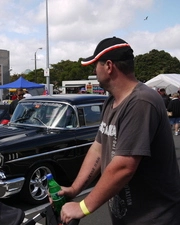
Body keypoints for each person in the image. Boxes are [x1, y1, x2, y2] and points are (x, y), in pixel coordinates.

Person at [56, 37, 180, 224]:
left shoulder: (141, 102)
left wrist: (82, 207)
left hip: (154, 219)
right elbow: (98, 148)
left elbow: (124, 166)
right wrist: (74, 189)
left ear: (108, 66)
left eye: (95, 65)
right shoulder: (111, 101)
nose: (93, 70)